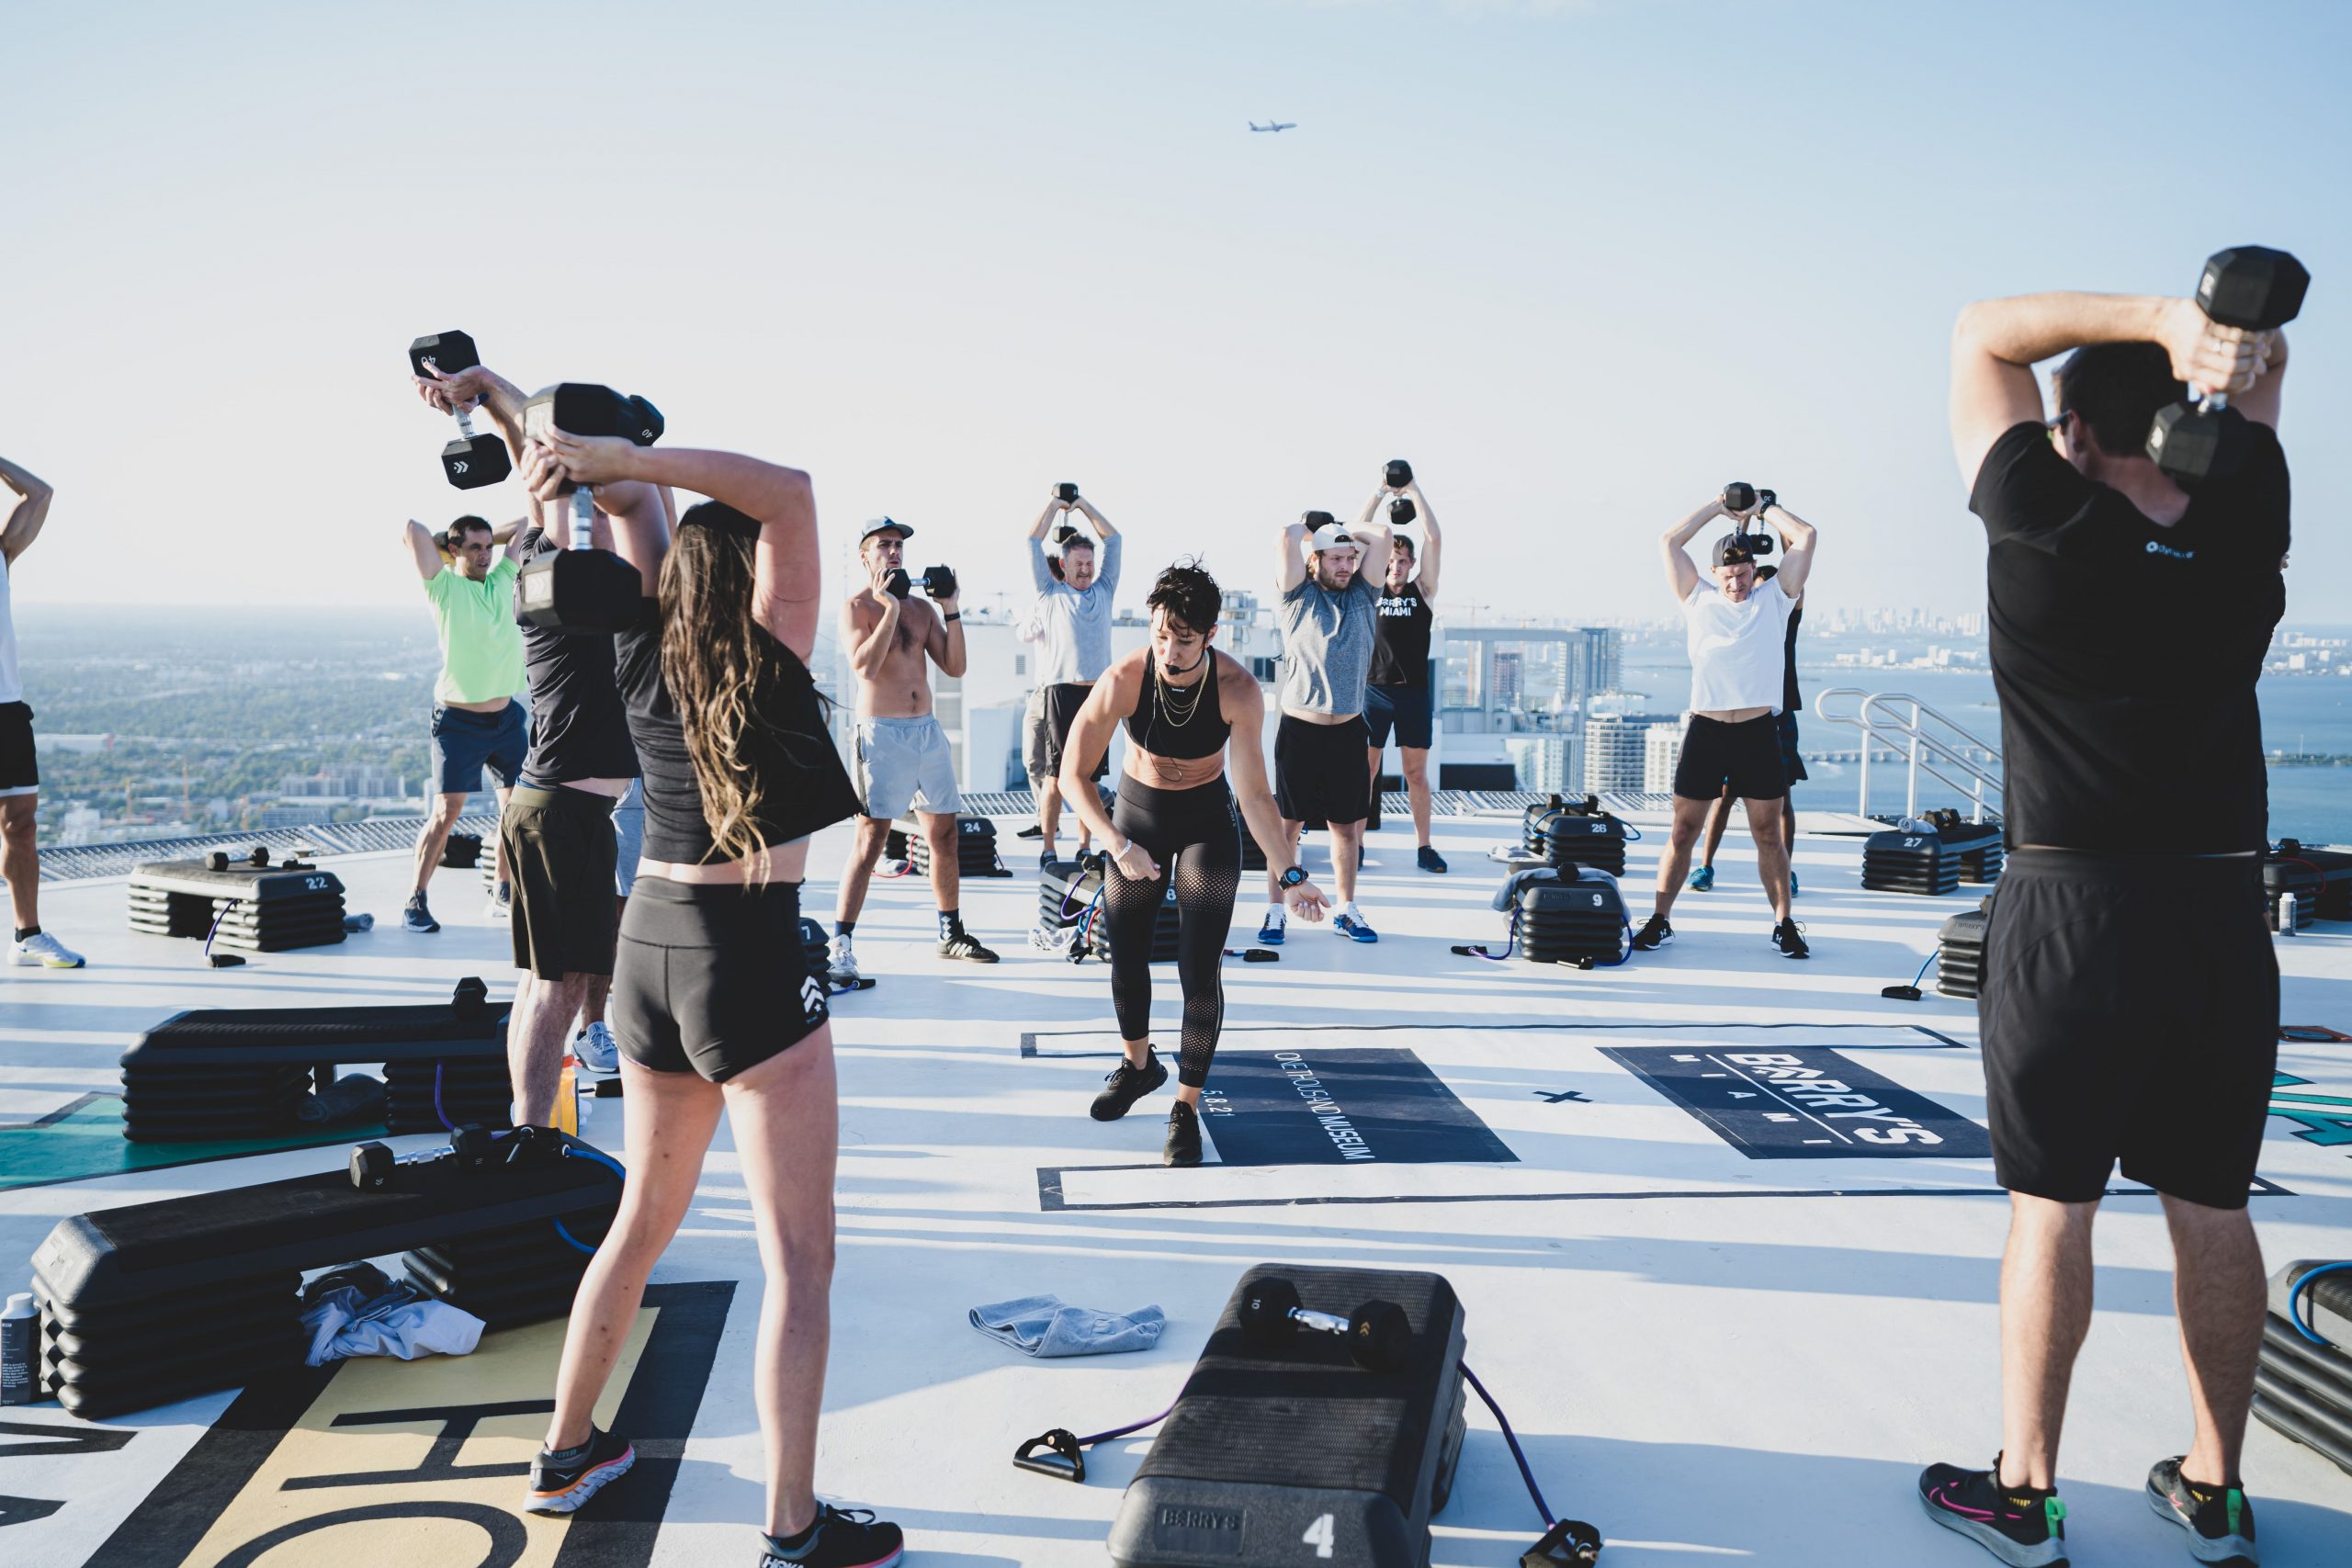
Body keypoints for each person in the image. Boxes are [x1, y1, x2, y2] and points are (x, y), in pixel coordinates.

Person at [1916, 281, 2289, 1568]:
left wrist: (2155, 314)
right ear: (2185, 416)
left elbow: (1978, 333)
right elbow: (2263, 370)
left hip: (2072, 906)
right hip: (2219, 908)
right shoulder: (2246, 523)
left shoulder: (2040, 519)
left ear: (2068, 427)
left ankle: (2026, 1495)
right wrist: (2220, 356)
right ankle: (2217, 1488)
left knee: (2053, 1207)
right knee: (2213, 1201)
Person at [517, 429, 902, 1568]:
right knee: (799, 1262)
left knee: (642, 1219)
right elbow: (784, 491)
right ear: (757, 577)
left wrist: (583, 464)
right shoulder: (773, 649)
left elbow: (637, 510)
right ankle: (793, 1532)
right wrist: (612, 451)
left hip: (647, 948)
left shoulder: (636, 641)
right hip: (742, 954)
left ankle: (566, 1451)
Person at [416, 361, 639, 1101]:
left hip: (570, 810)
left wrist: (485, 389)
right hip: (558, 813)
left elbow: (536, 460)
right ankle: (532, 1137)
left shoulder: (548, 562)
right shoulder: (564, 570)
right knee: (555, 991)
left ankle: (529, 1129)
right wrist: (495, 394)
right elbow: (545, 468)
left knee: (553, 984)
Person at [1060, 561, 1329, 1165]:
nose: (1168, 649)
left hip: (1207, 823)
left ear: (1209, 635)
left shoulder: (1236, 689)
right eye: (1160, 633)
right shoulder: (1126, 676)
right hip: (1137, 820)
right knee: (1127, 953)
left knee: (1197, 968)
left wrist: (1289, 874)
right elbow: (1071, 774)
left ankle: (1185, 1104)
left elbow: (1256, 795)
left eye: (1183, 638)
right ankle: (1138, 1066)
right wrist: (1114, 840)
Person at [1634, 491, 1816, 960]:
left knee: (1768, 833)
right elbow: (1669, 540)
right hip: (1707, 732)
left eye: (1743, 573)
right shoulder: (1697, 599)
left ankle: (1784, 923)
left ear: (1755, 571)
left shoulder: (1775, 600)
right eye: (1729, 574)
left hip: (1758, 732)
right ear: (1715, 574)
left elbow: (1806, 537)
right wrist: (1718, 507)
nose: (1736, 582)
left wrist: (1762, 509)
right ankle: (1660, 919)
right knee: (1682, 831)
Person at [828, 518, 996, 982]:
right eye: (884, 545)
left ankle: (951, 932)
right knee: (871, 840)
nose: (895, 552)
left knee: (944, 835)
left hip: (926, 733)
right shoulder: (856, 608)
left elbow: (956, 667)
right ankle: (839, 944)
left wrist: (951, 607)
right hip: (881, 735)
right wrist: (886, 608)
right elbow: (865, 667)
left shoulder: (920, 610)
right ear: (866, 556)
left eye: (899, 545)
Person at [1259, 501, 1391, 946]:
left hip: (1349, 731)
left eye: (1351, 557)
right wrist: (1313, 528)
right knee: (1287, 828)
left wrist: (1344, 530)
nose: (1346, 565)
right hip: (1301, 730)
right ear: (1315, 558)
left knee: (1346, 828)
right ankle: (1276, 911)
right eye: (1336, 557)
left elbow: (1384, 537)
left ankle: (1347, 910)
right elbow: (1284, 537)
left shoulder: (1363, 594)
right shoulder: (1296, 596)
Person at [401, 511, 527, 934]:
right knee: (447, 812)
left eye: (488, 546)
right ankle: (415, 899)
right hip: (458, 722)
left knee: (516, 809)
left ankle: (502, 889)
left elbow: (529, 521)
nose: (485, 555)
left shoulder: (503, 577)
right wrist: (448, 545)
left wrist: (488, 535)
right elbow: (412, 531)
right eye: (474, 547)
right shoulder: (444, 588)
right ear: (453, 550)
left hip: (506, 719)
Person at [0, 456, 83, 969]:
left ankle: (28, 933)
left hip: (6, 711)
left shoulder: (1, 554)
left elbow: (40, 495)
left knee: (21, 826)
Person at [1688, 560, 1804, 896]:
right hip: (1736, 713)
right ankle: (1705, 866)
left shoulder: (1784, 611)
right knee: (1724, 796)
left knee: (1782, 799)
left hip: (1777, 714)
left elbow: (1797, 563)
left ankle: (1787, 871)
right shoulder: (1739, 613)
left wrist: (1769, 512)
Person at [1023, 487, 1122, 863]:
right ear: (1063, 565)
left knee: (1090, 779)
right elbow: (1031, 540)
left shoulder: (1104, 590)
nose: (1085, 569)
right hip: (1061, 693)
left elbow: (1113, 538)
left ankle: (1084, 847)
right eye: (1078, 563)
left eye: (1088, 563)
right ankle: (1049, 848)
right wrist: (1054, 504)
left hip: (1099, 695)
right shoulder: (1049, 593)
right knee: (1055, 777)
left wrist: (1081, 506)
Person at [1363, 475, 1446, 874]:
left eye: (1402, 561)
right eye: (1390, 561)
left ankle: (1424, 847)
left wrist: (1412, 491)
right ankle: (1355, 844)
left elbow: (1434, 538)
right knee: (1366, 772)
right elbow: (1356, 536)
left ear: (1411, 564)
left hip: (1413, 694)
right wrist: (1380, 493)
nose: (1395, 566)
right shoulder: (1369, 590)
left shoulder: (1423, 592)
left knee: (1416, 774)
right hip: (1373, 693)